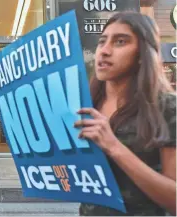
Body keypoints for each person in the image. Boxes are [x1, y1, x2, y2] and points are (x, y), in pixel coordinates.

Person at [74, 12, 176, 216]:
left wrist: (114, 146)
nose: (104, 51)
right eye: (102, 42)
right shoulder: (86, 103)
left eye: (120, 42)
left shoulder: (167, 107)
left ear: (142, 54)